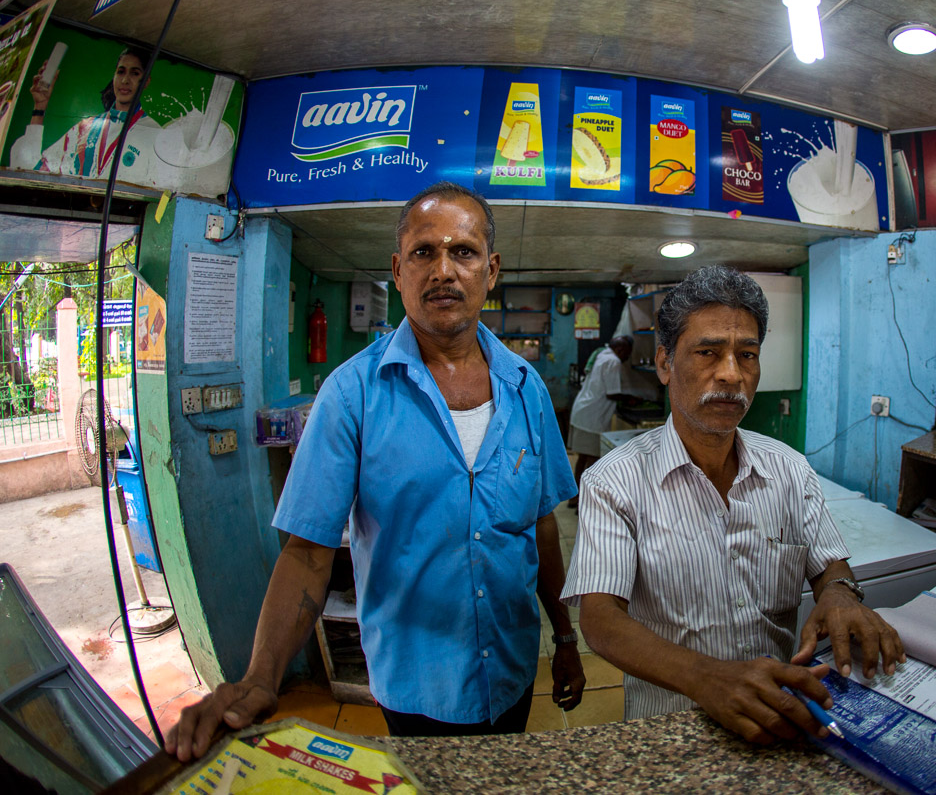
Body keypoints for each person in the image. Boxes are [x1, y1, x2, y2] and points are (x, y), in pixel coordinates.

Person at [166, 182, 585, 761]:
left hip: (512, 668)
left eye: (463, 252)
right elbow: (307, 553)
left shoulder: (526, 388)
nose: (443, 270)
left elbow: (541, 526)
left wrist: (564, 636)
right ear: (397, 270)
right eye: (423, 252)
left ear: (490, 271)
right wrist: (262, 676)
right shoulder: (352, 394)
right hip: (415, 686)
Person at [561, 265, 905, 745]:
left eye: (747, 354)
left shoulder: (790, 470)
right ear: (664, 364)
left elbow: (831, 568)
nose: (731, 373)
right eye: (708, 352)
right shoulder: (614, 481)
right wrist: (706, 678)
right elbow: (601, 620)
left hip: (780, 715)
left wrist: (840, 594)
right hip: (670, 728)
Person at [8, 46, 162, 183]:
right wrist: (39, 108)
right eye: (120, 72)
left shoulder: (155, 135)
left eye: (135, 73)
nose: (125, 80)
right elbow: (33, 170)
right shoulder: (86, 128)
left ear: (145, 82)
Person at [566, 334, 633, 497]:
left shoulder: (602, 354)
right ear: (620, 349)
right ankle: (587, 499)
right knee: (593, 460)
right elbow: (612, 393)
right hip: (592, 417)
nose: (627, 358)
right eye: (628, 353)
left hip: (583, 411)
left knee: (583, 457)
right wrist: (632, 398)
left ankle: (576, 497)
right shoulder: (613, 361)